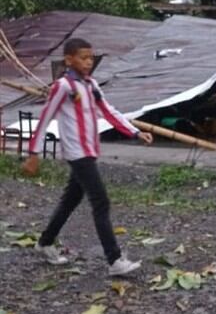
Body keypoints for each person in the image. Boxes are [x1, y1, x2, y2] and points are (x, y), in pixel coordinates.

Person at [22, 38, 153, 276]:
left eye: (91, 58)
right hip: (76, 152)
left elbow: (109, 111)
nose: (88, 62)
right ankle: (114, 259)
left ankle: (45, 242)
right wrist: (34, 153)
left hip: (89, 150)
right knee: (100, 201)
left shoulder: (91, 85)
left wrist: (134, 132)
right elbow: (45, 118)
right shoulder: (63, 87)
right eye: (83, 58)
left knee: (71, 200)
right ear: (69, 60)